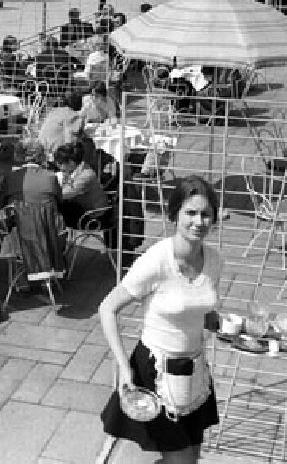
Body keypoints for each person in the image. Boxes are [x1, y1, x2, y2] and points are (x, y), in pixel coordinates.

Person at [99, 176, 222, 463]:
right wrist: (122, 366)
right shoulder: (156, 260)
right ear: (174, 214)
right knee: (181, 460)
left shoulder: (215, 260)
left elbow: (204, 309)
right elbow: (107, 309)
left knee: (190, 457)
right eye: (190, 212)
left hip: (195, 370)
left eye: (205, 214)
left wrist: (224, 325)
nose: (198, 221)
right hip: (156, 371)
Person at [53, 141, 109, 228]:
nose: (59, 167)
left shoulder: (86, 175)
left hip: (94, 216)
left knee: (62, 206)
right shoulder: (76, 171)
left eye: (60, 164)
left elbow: (66, 194)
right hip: (84, 211)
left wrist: (48, 191)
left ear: (71, 162)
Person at [0, 139, 61, 208]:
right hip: (45, 217)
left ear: (17, 156)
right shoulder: (51, 176)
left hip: (18, 217)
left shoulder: (10, 177)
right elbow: (59, 202)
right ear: (42, 156)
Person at [38, 91, 85, 159]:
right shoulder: (73, 115)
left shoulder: (54, 111)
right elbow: (71, 139)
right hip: (57, 155)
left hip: (43, 149)